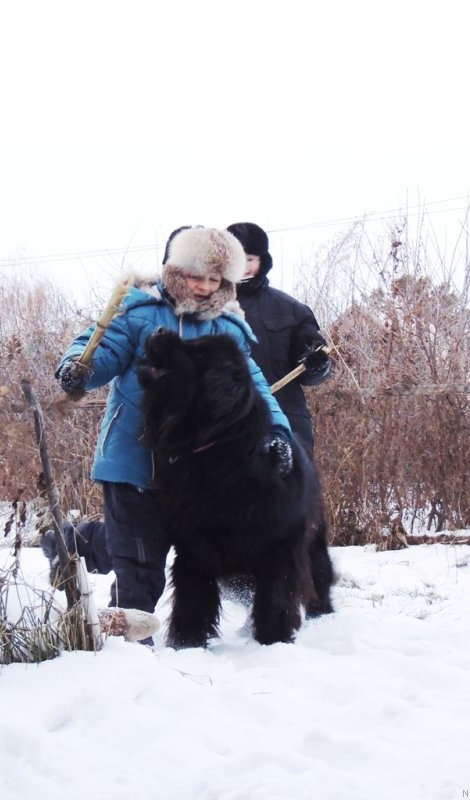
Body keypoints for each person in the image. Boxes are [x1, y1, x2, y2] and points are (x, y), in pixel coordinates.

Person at [41, 226, 293, 624]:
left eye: (214, 279)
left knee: (147, 542)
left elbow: (256, 387)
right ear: (175, 271)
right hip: (136, 458)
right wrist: (79, 368)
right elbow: (98, 349)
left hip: (196, 472)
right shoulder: (139, 314)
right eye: (196, 276)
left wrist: (277, 433)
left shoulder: (227, 328)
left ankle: (73, 541)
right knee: (141, 561)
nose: (204, 287)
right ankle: (127, 642)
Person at [226, 222, 331, 453]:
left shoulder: (290, 309)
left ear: (263, 261)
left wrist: (316, 364)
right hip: (226, 427)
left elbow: (312, 362)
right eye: (237, 258)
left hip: (286, 422)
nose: (243, 266)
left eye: (250, 259)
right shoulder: (210, 309)